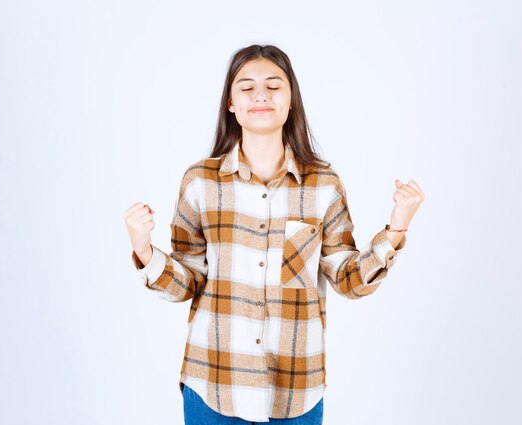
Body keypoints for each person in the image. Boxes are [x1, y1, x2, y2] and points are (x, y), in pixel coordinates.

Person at [123, 44, 424, 424]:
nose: (260, 95)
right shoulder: (200, 182)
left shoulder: (323, 185)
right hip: (212, 382)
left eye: (273, 86)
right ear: (230, 103)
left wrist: (396, 228)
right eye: (246, 88)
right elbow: (188, 282)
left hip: (296, 388)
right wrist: (144, 251)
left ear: (291, 99)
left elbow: (348, 280)